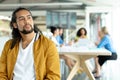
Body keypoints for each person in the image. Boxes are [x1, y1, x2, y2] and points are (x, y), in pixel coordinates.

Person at [0, 7, 60, 80]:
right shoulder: (9, 45)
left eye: (29, 17)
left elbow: (54, 76)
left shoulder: (48, 44)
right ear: (15, 25)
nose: (27, 21)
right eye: (22, 19)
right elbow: (1, 73)